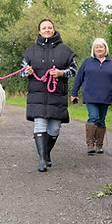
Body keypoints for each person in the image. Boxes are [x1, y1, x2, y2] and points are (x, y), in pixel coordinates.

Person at [20, 19, 77, 172]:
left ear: (53, 30)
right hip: (37, 95)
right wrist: (27, 71)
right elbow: (21, 71)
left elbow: (73, 70)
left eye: (49, 27)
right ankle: (41, 160)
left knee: (54, 129)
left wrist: (61, 73)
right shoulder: (30, 51)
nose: (47, 30)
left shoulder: (65, 50)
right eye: (44, 28)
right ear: (39, 31)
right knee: (40, 124)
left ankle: (46, 153)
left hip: (57, 95)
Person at [71, 38, 112, 154]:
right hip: (90, 95)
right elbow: (78, 78)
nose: (99, 49)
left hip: (105, 96)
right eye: (96, 47)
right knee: (93, 117)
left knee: (101, 120)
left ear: (105, 49)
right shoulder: (87, 62)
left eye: (101, 47)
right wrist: (74, 93)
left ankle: (99, 145)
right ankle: (90, 144)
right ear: (93, 49)